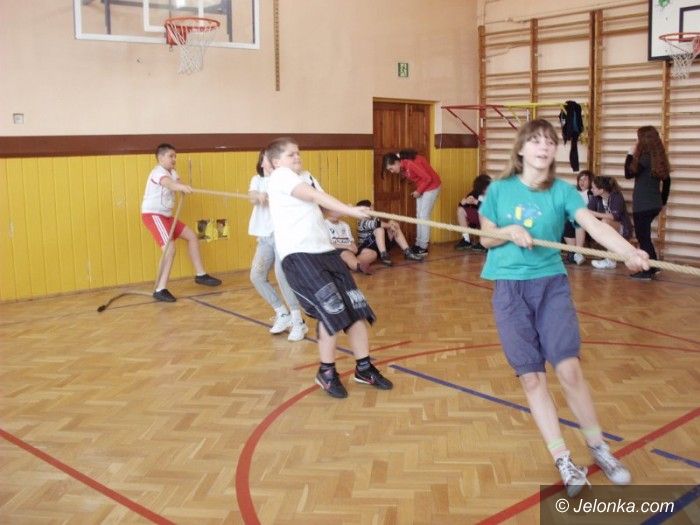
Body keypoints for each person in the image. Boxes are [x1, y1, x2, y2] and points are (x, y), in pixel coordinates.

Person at [478, 119, 649, 497]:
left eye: (550, 142)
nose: (544, 147)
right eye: (535, 141)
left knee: (569, 370)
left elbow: (595, 226)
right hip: (509, 290)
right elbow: (486, 237)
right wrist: (507, 232)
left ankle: (598, 447)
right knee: (531, 378)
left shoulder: (563, 192)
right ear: (521, 149)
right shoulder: (499, 190)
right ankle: (563, 459)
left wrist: (629, 251)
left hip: (550, 286)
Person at [265, 137, 393, 399]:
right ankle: (326, 372)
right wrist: (349, 211)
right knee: (331, 311)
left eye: (298, 153)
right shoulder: (280, 176)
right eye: (291, 155)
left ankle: (364, 368)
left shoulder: (306, 176)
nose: (297, 157)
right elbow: (312, 196)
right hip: (300, 256)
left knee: (355, 310)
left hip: (325, 251)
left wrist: (353, 210)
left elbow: (323, 205)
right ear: (276, 161)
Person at [141, 143, 221, 302]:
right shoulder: (158, 172)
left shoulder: (172, 172)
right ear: (160, 158)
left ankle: (200, 275)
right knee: (169, 249)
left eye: (175, 156)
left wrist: (184, 187)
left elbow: (178, 182)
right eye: (171, 156)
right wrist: (179, 187)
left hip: (167, 216)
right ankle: (160, 289)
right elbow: (169, 184)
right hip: (154, 215)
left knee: (192, 236)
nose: (174, 159)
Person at [248, 149, 308, 342]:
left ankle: (298, 321)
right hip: (265, 236)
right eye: (266, 158)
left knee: (282, 276)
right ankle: (282, 312)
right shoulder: (257, 180)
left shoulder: (283, 180)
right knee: (257, 275)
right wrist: (258, 195)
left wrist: (270, 195)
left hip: (282, 235)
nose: (269, 161)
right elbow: (252, 196)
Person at [624, 125, 671, 280]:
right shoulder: (657, 158)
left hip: (643, 205)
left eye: (637, 138)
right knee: (645, 237)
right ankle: (654, 266)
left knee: (643, 238)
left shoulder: (644, 158)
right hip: (654, 204)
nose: (636, 141)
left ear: (643, 140)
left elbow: (628, 174)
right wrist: (662, 201)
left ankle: (648, 270)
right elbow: (667, 181)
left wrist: (629, 154)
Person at [382, 150, 442, 256]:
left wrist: (418, 191)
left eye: (391, 168)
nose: (391, 172)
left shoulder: (409, 164)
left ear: (396, 162)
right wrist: (418, 191)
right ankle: (418, 244)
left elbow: (428, 178)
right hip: (423, 188)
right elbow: (420, 178)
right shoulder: (403, 165)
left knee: (423, 216)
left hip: (432, 186)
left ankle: (423, 247)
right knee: (419, 216)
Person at [355, 199, 424, 266]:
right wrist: (390, 226)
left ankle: (408, 252)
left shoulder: (374, 217)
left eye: (372, 207)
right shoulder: (362, 222)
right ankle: (384, 255)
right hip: (368, 248)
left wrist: (392, 225)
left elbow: (382, 224)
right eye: (371, 208)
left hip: (378, 245)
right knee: (380, 229)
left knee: (393, 223)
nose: (373, 209)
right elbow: (378, 224)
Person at [588, 176, 633, 270]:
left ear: (601, 190)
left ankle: (610, 260)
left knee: (605, 222)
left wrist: (594, 213)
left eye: (593, 188)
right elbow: (588, 211)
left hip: (622, 229)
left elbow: (614, 216)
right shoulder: (596, 197)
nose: (591, 190)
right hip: (606, 228)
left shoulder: (616, 196)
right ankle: (577, 254)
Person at [325, 210, 376, 275]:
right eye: (333, 211)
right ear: (327, 212)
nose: (336, 213)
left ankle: (349, 264)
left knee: (372, 253)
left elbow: (351, 240)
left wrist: (354, 247)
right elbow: (326, 244)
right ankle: (358, 266)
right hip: (337, 250)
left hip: (349, 249)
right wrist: (347, 247)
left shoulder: (345, 225)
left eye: (337, 211)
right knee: (347, 254)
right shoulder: (323, 224)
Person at [562, 171, 592, 266]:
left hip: (585, 220)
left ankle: (578, 253)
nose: (582, 182)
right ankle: (573, 253)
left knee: (579, 222)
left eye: (585, 179)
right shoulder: (574, 192)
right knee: (565, 223)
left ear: (590, 181)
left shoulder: (591, 193)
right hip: (571, 218)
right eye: (580, 180)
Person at [455, 174, 491, 252]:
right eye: (486, 187)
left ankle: (484, 242)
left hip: (491, 220)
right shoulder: (475, 193)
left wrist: (476, 202)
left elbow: (490, 209)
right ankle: (466, 240)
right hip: (478, 219)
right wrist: (464, 202)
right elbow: (461, 205)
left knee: (483, 211)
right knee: (460, 210)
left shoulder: (494, 193)